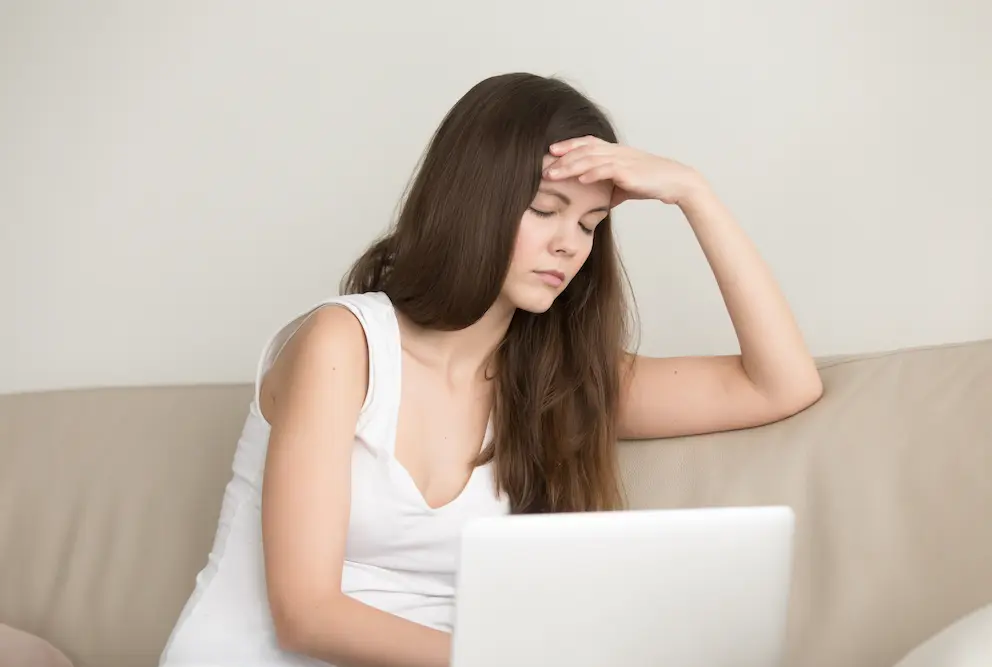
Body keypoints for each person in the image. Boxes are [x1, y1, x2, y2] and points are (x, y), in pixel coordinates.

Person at [159, 72, 823, 667]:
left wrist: (691, 192)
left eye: (591, 223)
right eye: (544, 210)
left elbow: (782, 383)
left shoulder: (561, 383)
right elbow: (305, 613)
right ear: (474, 202)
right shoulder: (344, 342)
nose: (570, 243)